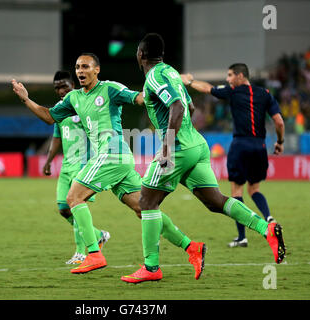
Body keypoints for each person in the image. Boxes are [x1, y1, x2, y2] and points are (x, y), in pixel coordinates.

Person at [12, 53, 202, 277]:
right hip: (115, 160)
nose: (80, 71)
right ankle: (192, 248)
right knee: (144, 210)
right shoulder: (74, 98)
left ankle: (94, 253)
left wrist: (166, 84)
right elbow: (49, 116)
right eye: (77, 67)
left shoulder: (110, 89)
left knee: (73, 198)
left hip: (112, 154)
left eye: (85, 67)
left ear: (97, 70)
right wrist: (26, 99)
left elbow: (140, 98)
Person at [121, 33, 286, 284]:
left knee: (146, 201)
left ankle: (151, 268)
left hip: (177, 148)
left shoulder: (154, 77)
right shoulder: (173, 73)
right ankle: (267, 229)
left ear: (140, 54)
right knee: (215, 200)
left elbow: (177, 106)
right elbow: (190, 107)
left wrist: (166, 146)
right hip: (196, 144)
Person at [181, 63, 285, 248]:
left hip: (240, 145)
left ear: (240, 75)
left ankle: (242, 237)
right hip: (260, 147)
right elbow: (279, 122)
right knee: (254, 189)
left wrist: (189, 81)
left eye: (230, 75)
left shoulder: (233, 92)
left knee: (236, 192)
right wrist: (280, 142)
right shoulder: (265, 94)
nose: (228, 80)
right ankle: (269, 218)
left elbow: (207, 88)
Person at [43, 70, 109, 265]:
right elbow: (57, 136)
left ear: (73, 84)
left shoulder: (83, 104)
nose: (61, 91)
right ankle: (97, 234)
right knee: (64, 209)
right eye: (57, 88)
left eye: (64, 86)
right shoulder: (60, 108)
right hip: (67, 164)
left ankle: (82, 252)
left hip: (84, 163)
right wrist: (48, 161)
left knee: (75, 205)